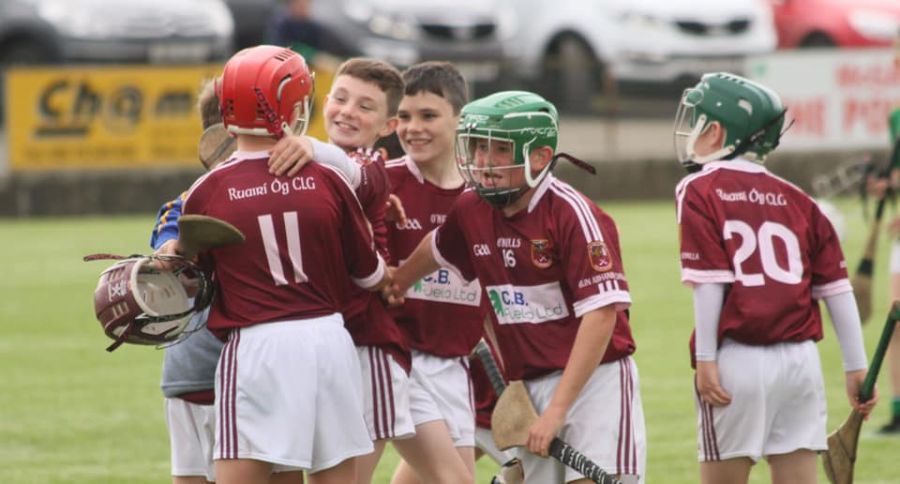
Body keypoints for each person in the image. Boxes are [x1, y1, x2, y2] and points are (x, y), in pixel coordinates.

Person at [385, 90, 646, 484]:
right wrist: (399, 281)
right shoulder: (471, 208)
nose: (483, 162)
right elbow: (437, 248)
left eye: (500, 150)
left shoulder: (571, 213)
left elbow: (602, 314)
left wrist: (557, 411)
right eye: (478, 148)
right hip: (530, 384)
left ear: (539, 157)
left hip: (595, 383)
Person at [179, 45, 388, 484]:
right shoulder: (329, 178)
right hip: (330, 342)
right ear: (291, 107)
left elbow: (193, 279)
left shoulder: (207, 190)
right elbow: (370, 275)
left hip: (257, 348)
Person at [673, 72, 877, 484]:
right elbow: (837, 290)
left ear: (718, 132)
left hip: (738, 361)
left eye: (700, 121)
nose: (691, 130)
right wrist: (856, 366)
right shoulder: (801, 200)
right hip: (801, 364)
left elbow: (709, 282)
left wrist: (706, 358)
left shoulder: (698, 189)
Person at [317, 57, 417, 484]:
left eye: (364, 106)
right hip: (320, 342)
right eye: (340, 99)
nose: (347, 111)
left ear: (388, 126)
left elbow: (351, 175)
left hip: (367, 346)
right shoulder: (309, 163)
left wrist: (300, 144)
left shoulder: (369, 165)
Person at [383, 62, 482, 484]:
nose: (413, 128)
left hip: (453, 364)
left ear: (460, 119)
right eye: (404, 116)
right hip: (393, 358)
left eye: (428, 115)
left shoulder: (485, 195)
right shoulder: (382, 184)